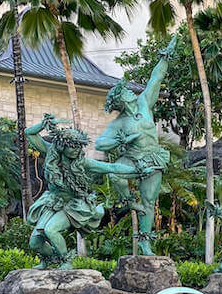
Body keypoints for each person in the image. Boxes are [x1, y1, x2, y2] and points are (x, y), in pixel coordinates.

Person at [26, 114, 149, 268]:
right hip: (52, 202)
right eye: (72, 146)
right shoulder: (50, 152)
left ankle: (66, 262)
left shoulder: (83, 163)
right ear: (62, 146)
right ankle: (49, 260)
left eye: (79, 147)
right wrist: (44, 124)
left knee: (51, 230)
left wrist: (138, 171)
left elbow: (111, 167)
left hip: (72, 204)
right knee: (35, 242)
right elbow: (29, 133)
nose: (76, 150)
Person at [95, 40, 171, 255]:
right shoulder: (118, 123)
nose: (129, 91)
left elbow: (155, 79)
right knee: (115, 175)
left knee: (149, 201)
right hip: (131, 159)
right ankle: (128, 200)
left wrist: (164, 59)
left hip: (153, 158)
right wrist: (121, 142)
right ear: (121, 99)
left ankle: (145, 242)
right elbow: (100, 143)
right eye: (125, 91)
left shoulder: (144, 104)